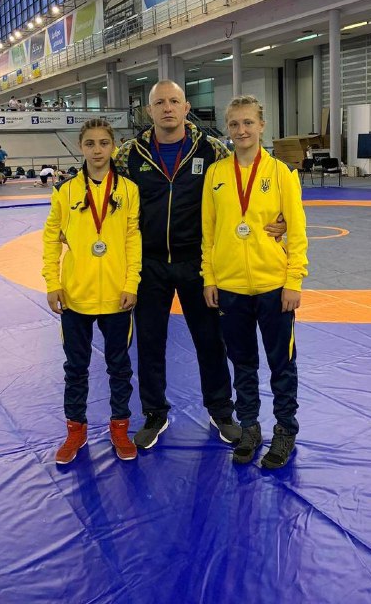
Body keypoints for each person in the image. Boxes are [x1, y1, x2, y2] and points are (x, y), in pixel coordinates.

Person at [116, 80, 286, 450]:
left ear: (186, 107)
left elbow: (242, 186)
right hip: (149, 263)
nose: (167, 108)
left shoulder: (211, 149)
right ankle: (154, 412)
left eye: (174, 101)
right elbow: (106, 195)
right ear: (149, 110)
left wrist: (282, 217)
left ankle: (221, 410)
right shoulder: (129, 153)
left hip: (198, 263)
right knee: (149, 342)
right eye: (160, 102)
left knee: (211, 340)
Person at [202, 95, 308, 469]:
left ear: (262, 125)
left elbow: (297, 232)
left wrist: (293, 281)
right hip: (230, 287)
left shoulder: (281, 173)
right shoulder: (216, 175)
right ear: (227, 129)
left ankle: (285, 429)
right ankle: (249, 428)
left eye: (248, 122)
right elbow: (208, 232)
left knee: (282, 364)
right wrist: (210, 277)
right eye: (234, 124)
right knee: (242, 364)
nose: (241, 130)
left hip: (274, 286)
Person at [42, 119, 142, 464]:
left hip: (117, 296)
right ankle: (76, 431)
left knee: (120, 368)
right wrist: (52, 283)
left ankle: (120, 428)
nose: (97, 150)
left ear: (113, 147)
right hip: (75, 296)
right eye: (90, 144)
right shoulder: (66, 191)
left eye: (103, 143)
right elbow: (51, 239)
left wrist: (131, 284)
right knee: (76, 368)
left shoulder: (128, 190)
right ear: (80, 147)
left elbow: (132, 239)